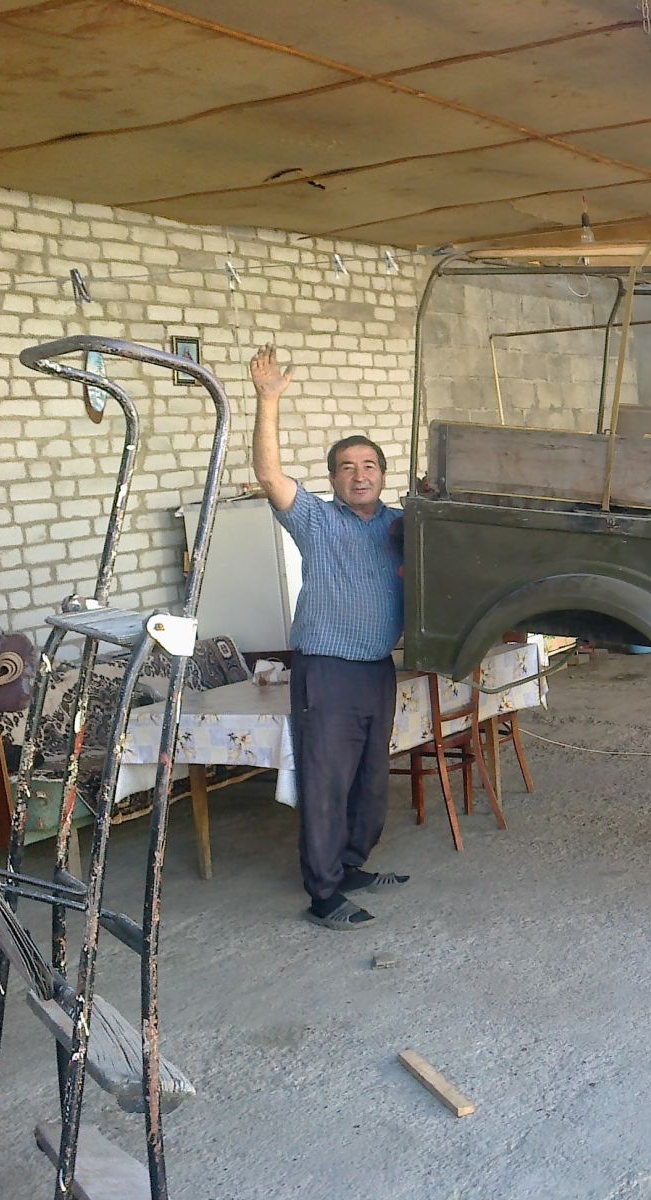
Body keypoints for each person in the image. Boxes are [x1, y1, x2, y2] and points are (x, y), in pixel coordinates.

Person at [250, 345, 409, 930]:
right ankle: (323, 894)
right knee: (326, 782)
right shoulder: (316, 520)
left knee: (370, 780)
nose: (359, 475)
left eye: (368, 465)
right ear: (333, 479)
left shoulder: (400, 527)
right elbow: (269, 475)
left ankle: (349, 864)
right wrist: (268, 400)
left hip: (376, 668)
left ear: (382, 475)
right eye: (346, 467)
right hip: (328, 671)